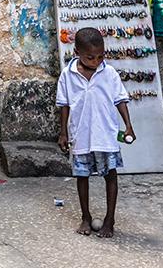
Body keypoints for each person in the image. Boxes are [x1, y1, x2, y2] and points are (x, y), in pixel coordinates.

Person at [57, 27, 135, 238]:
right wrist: (63, 133)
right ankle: (85, 217)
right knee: (82, 176)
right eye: (90, 57)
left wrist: (128, 125)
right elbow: (64, 105)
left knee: (110, 175)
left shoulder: (108, 73)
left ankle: (110, 219)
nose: (96, 61)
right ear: (77, 53)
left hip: (105, 134)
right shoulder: (68, 75)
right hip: (81, 134)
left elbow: (120, 100)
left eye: (101, 56)